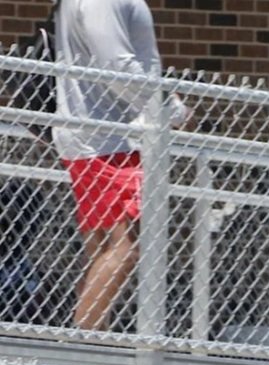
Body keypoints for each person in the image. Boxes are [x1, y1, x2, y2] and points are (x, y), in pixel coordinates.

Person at [53, 0, 190, 331]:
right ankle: (86, 349)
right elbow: (116, 64)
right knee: (126, 245)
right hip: (108, 138)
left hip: (98, 135)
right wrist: (169, 109)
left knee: (103, 247)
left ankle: (90, 345)